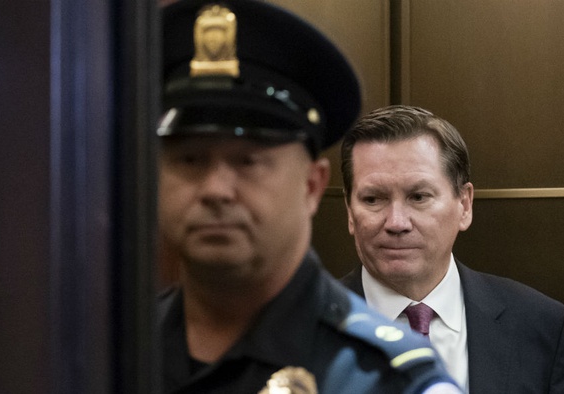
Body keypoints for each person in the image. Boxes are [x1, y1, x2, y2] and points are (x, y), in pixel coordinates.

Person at [155, 1, 461, 393]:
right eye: (191, 159)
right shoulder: (106, 355)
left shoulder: (388, 382)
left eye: (249, 161)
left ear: (312, 187)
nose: (216, 190)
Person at [339, 105, 564, 393]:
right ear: (349, 212)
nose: (396, 222)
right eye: (372, 199)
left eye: (418, 197)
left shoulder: (543, 327)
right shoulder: (297, 331)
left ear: (464, 205)